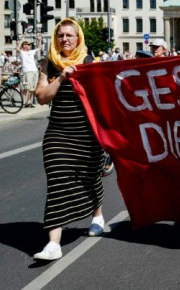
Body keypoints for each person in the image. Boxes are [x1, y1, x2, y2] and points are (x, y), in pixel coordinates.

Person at [33, 19, 104, 261]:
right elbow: (42, 97)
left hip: (87, 134)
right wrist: (61, 77)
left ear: (78, 38)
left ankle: (97, 216)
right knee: (57, 180)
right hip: (58, 133)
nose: (64, 39)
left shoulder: (90, 63)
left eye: (69, 35)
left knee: (90, 175)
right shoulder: (49, 64)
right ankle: (54, 243)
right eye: (60, 35)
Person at [17, 35, 42, 108]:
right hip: (27, 71)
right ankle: (24, 102)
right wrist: (21, 40)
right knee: (26, 88)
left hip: (34, 71)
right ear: (24, 46)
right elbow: (18, 48)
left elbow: (39, 48)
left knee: (32, 88)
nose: (29, 46)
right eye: (28, 45)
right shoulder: (22, 52)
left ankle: (29, 102)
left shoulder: (31, 51)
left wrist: (39, 40)